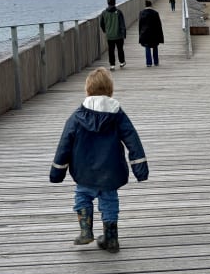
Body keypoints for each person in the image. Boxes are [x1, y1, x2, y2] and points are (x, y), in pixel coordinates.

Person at [50, 67, 149, 252]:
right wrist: (140, 169)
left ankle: (86, 231)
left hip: (84, 170)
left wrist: (57, 172)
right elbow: (132, 139)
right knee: (109, 201)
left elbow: (65, 144)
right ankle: (111, 239)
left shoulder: (77, 117)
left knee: (82, 196)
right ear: (110, 91)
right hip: (111, 171)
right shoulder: (118, 115)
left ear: (87, 91)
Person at [99, 0, 126, 70]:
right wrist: (124, 34)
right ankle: (122, 62)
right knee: (120, 49)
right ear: (114, 2)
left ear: (108, 3)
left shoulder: (104, 13)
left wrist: (105, 31)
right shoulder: (118, 12)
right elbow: (122, 24)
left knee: (111, 50)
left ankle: (112, 64)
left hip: (109, 35)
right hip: (119, 35)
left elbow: (101, 24)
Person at [138, 0, 164, 67]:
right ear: (151, 5)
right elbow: (159, 25)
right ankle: (156, 62)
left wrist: (140, 34)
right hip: (154, 33)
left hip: (145, 33)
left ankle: (149, 63)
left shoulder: (141, 13)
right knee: (155, 47)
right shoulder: (155, 13)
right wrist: (160, 36)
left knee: (147, 47)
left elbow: (140, 24)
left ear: (145, 5)